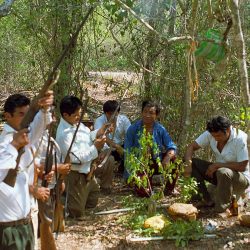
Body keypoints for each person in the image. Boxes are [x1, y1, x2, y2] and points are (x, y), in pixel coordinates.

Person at [0, 92, 54, 250]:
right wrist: (14, 147)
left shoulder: (22, 137)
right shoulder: (5, 143)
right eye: (21, 114)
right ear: (7, 116)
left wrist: (44, 109)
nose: (25, 119)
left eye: (27, 113)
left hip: (26, 218)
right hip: (8, 226)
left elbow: (37, 127)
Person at [56, 95, 110, 219]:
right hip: (75, 175)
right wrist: (95, 147)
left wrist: (99, 132)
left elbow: (87, 135)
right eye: (75, 115)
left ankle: (75, 196)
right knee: (77, 213)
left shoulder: (76, 124)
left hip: (88, 171)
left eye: (79, 114)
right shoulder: (63, 134)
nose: (78, 117)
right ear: (65, 115)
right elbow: (75, 158)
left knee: (93, 199)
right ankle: (63, 197)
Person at [184, 116, 250, 213]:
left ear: (228, 130)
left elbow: (243, 166)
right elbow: (191, 146)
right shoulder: (211, 133)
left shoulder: (240, 138)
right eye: (213, 136)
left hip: (240, 179)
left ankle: (221, 208)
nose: (215, 139)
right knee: (192, 163)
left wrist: (218, 165)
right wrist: (188, 165)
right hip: (219, 174)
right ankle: (204, 199)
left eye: (218, 136)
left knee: (224, 172)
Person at [124, 100, 177, 197]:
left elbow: (171, 146)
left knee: (174, 160)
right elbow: (128, 153)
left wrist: (168, 157)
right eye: (145, 111)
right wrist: (130, 176)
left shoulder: (160, 129)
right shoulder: (133, 129)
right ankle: (146, 188)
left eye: (151, 113)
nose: (147, 115)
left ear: (156, 115)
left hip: (157, 163)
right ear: (141, 112)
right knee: (145, 193)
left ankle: (169, 190)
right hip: (139, 165)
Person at [94, 100, 131, 182]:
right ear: (106, 113)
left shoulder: (124, 120)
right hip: (106, 148)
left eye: (115, 114)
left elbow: (129, 135)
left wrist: (125, 148)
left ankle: (126, 171)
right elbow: (100, 136)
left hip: (120, 147)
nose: (114, 116)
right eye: (111, 114)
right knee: (104, 154)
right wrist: (115, 146)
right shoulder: (99, 121)